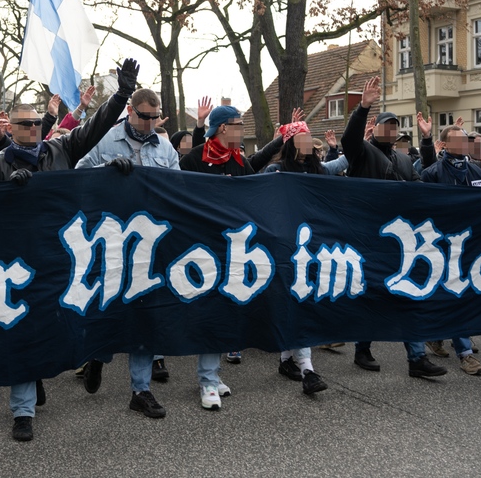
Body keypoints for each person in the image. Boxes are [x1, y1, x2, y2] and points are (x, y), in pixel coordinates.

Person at [0, 58, 139, 442]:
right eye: (24, 124)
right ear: (10, 129)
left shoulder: (60, 150)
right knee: (22, 332)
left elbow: (96, 126)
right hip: (17, 262)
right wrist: (6, 194)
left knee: (75, 319)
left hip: (63, 255)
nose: (33, 129)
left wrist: (122, 94)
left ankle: (93, 358)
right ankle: (22, 411)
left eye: (37, 123)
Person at [75, 87, 179, 419]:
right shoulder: (105, 139)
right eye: (144, 117)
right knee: (108, 310)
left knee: (145, 315)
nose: (150, 124)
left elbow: (179, 189)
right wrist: (105, 172)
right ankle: (97, 356)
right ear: (131, 112)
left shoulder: (164, 145)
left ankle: (141, 390)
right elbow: (76, 177)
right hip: (113, 241)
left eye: (155, 117)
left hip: (150, 244)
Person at [340, 76, 445, 379]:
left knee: (407, 294)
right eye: (387, 125)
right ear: (376, 129)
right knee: (371, 295)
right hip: (369, 235)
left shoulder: (402, 159)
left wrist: (426, 142)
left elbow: (421, 185)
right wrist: (362, 108)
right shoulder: (361, 153)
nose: (393, 130)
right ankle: (362, 350)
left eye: (397, 126)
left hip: (401, 240)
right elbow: (349, 140)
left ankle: (416, 357)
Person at [177, 104, 262, 409]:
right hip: (203, 249)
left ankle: (213, 374)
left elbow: (255, 192)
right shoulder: (195, 158)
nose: (243, 129)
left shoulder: (240, 159)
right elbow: (177, 197)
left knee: (226, 311)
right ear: (224, 128)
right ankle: (207, 381)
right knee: (210, 313)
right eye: (239, 124)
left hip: (234, 248)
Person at [262, 120, 344, 394]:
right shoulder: (275, 171)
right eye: (304, 137)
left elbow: (345, 161)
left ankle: (287, 360)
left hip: (313, 248)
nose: (310, 142)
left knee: (299, 303)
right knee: (294, 302)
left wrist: (361, 137)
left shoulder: (318, 170)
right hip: (286, 248)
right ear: (292, 142)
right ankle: (308, 369)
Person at [418, 124, 481, 376]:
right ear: (445, 144)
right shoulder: (432, 173)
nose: (463, 144)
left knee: (461, 295)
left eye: (465, 140)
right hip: (444, 246)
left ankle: (437, 336)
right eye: (457, 140)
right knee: (452, 294)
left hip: (471, 244)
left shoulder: (476, 170)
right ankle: (465, 354)